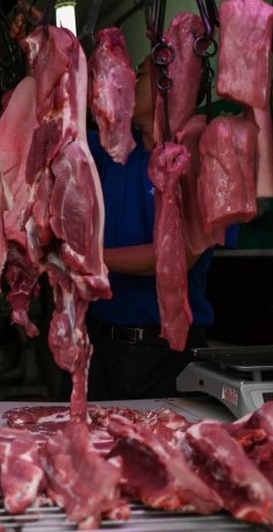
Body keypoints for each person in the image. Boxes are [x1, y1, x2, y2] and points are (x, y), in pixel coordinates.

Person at [79, 57, 235, 400]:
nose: (129, 81)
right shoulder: (110, 151)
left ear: (170, 85)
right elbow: (53, 124)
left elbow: (179, 256)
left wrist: (90, 260)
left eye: (139, 74)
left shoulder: (205, 158)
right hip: (99, 349)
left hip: (169, 354)